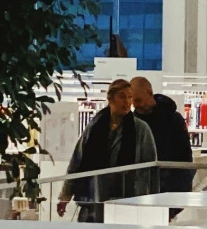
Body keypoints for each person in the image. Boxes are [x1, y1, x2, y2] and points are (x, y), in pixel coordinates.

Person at [59, 79, 159, 223]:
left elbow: (151, 170)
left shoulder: (141, 130)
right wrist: (65, 195)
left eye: (130, 97)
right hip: (94, 199)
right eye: (122, 96)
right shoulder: (95, 126)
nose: (127, 101)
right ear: (110, 99)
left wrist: (153, 202)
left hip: (128, 202)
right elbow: (77, 162)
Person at [130, 76, 194, 197]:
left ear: (149, 93)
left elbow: (185, 155)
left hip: (174, 187)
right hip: (144, 190)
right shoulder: (132, 123)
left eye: (138, 100)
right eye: (133, 101)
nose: (136, 105)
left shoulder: (173, 119)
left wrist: (183, 185)